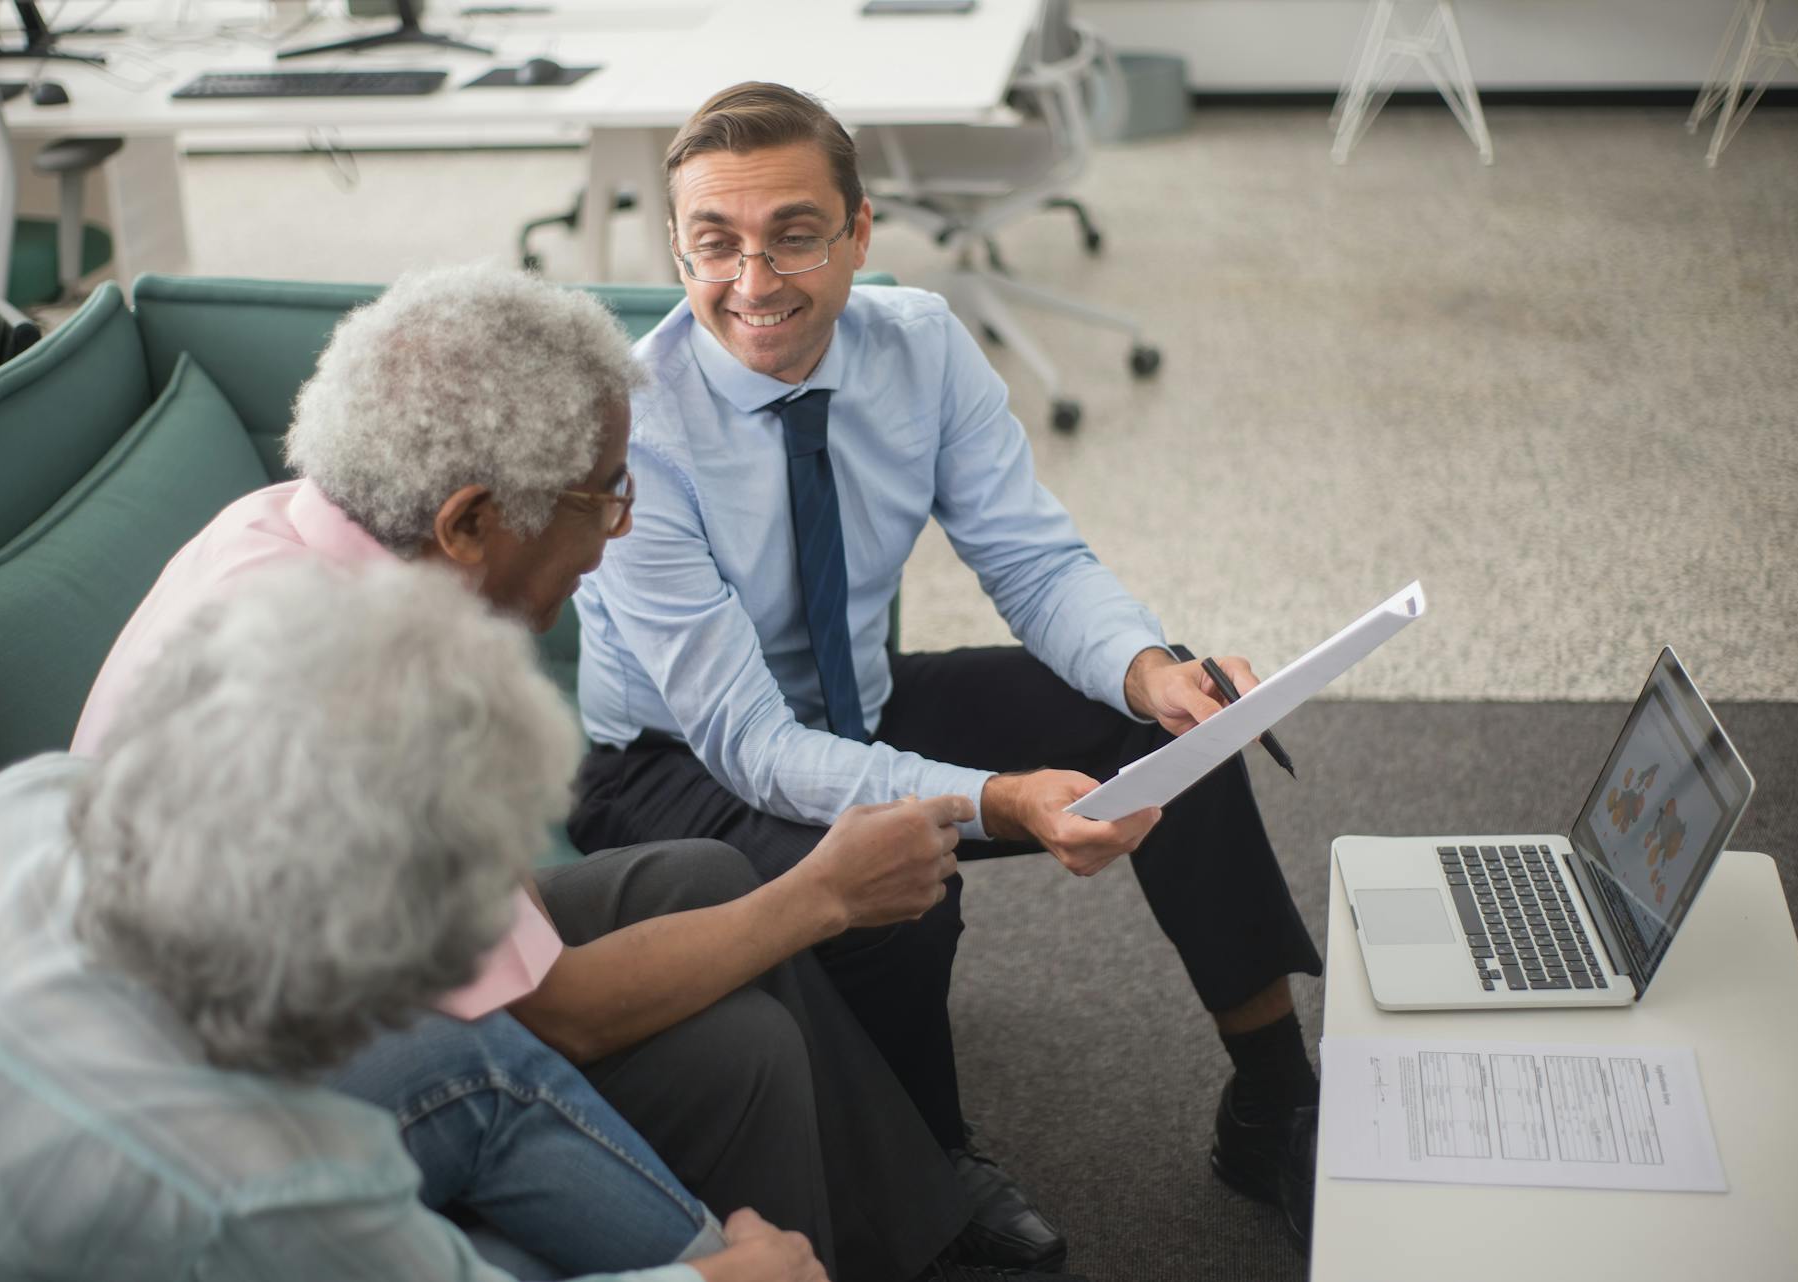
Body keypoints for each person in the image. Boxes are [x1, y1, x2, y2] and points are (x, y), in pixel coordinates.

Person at [73, 264, 1072, 1282]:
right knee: (741, 1049)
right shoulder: (368, 683)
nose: (618, 529)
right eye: (603, 496)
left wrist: (791, 898)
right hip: (245, 1080)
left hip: (309, 952)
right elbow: (563, 1011)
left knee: (699, 874)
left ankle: (911, 1236)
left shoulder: (291, 528)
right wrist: (825, 894)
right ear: (469, 521)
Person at [570, 82, 1327, 1256]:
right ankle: (933, 1161)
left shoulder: (918, 343)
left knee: (1177, 728)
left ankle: (1277, 1099)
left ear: (861, 231)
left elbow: (1031, 560)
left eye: (796, 234)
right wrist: (991, 801)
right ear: (678, 242)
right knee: (896, 868)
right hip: (672, 766)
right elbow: (753, 744)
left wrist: (1146, 670)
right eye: (714, 243)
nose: (754, 281)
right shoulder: (634, 427)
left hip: (857, 700)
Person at [0, 558, 828, 1282]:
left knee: (466, 1058)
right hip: (117, 1191)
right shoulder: (272, 1185)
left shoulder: (25, 806)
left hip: (33, 1129)